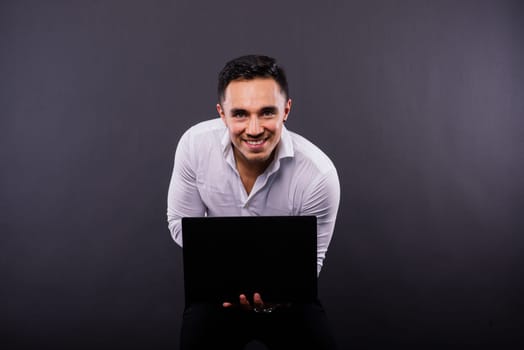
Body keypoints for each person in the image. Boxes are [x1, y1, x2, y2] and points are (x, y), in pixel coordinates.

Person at [167, 54, 340, 350]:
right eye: (240, 114)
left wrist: (273, 294)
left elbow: (313, 261)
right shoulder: (194, 146)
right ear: (222, 114)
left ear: (286, 110)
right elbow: (179, 224)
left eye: (267, 112)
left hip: (287, 300)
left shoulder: (318, 174)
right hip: (216, 294)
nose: (255, 128)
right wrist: (234, 274)